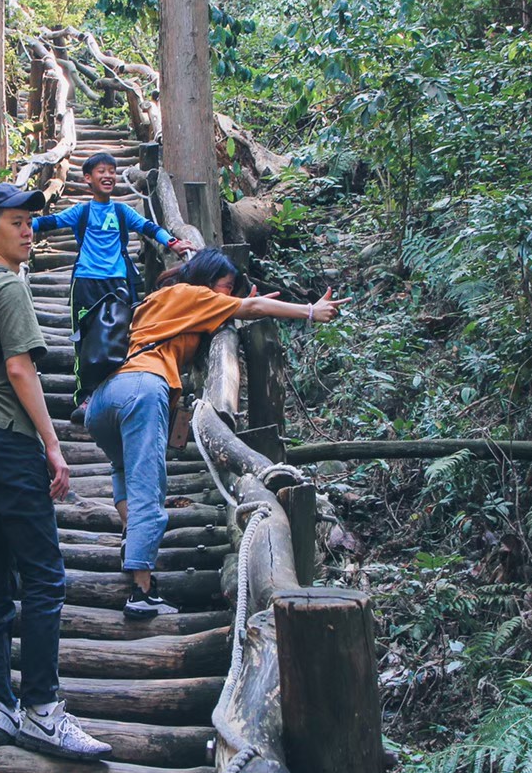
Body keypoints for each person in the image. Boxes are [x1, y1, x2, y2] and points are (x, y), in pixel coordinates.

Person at [85, 249, 344, 618]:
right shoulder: (194, 295)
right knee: (148, 487)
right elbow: (249, 311)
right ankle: (141, 591)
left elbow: (238, 307)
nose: (227, 296)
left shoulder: (159, 300)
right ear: (207, 282)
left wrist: (241, 301)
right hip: (143, 389)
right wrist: (309, 311)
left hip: (103, 399)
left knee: (124, 469)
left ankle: (132, 539)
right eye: (225, 288)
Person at [0, 182, 113, 760]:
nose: (27, 231)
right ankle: (44, 710)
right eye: (16, 222)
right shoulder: (8, 287)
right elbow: (21, 370)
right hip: (7, 439)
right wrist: (53, 444)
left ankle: (0, 705)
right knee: (45, 576)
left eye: (29, 222)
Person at [32, 152, 192, 424]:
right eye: (101, 171)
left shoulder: (121, 211)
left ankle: (117, 393)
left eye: (111, 171)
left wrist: (172, 242)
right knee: (83, 340)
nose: (108, 176)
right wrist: (19, 223)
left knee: (120, 338)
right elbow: (48, 222)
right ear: (87, 178)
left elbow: (149, 227)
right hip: (85, 282)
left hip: (117, 282)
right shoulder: (81, 211)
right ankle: (85, 398)